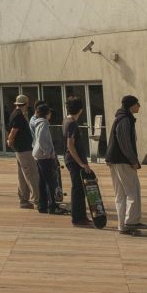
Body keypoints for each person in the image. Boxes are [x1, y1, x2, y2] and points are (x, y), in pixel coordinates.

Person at [107, 95, 144, 234]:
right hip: (123, 161)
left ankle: (122, 225)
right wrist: (133, 161)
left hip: (115, 160)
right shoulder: (124, 119)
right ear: (131, 106)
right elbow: (125, 143)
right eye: (137, 103)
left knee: (121, 194)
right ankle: (131, 222)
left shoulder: (122, 117)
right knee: (132, 191)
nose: (139, 106)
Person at [64, 96, 94, 227]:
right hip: (74, 161)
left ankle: (81, 216)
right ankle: (77, 218)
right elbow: (70, 145)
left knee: (81, 189)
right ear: (81, 109)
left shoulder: (67, 120)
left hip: (74, 160)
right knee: (77, 189)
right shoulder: (71, 123)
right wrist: (81, 163)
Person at [6, 94, 40, 209]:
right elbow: (13, 131)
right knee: (31, 174)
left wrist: (11, 143)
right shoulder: (18, 116)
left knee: (22, 175)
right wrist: (10, 141)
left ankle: (24, 200)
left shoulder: (15, 114)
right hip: (24, 150)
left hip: (20, 150)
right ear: (25, 104)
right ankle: (38, 201)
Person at [30, 103, 59, 214]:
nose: (50, 114)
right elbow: (42, 140)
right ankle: (52, 206)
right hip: (44, 156)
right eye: (49, 112)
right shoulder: (43, 124)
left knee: (42, 182)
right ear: (47, 113)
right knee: (49, 181)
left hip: (39, 156)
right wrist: (49, 153)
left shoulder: (38, 123)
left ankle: (42, 206)